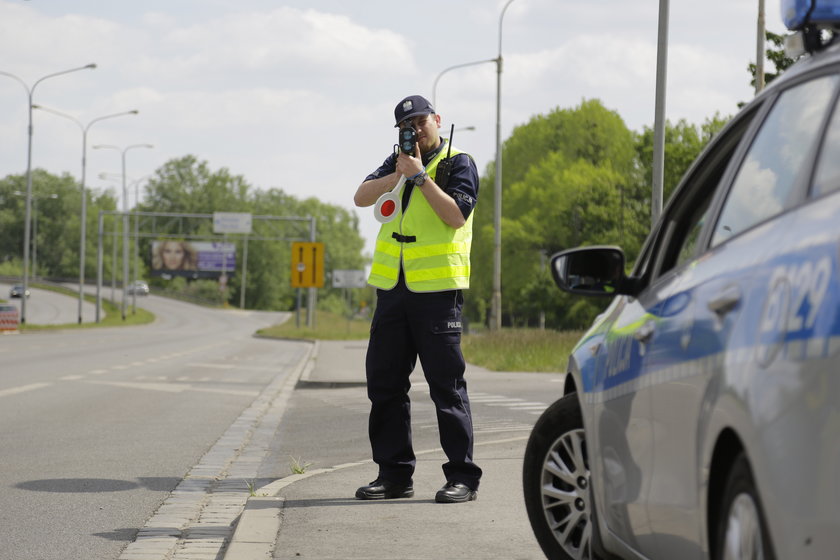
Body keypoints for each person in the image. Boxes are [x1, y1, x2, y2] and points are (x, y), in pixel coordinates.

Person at [353, 94, 482, 503]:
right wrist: (398, 174)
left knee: (447, 387)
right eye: (407, 127)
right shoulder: (397, 162)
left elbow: (455, 216)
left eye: (421, 122)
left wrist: (422, 177)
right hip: (393, 290)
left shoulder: (457, 163)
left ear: (437, 120)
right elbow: (360, 196)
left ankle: (462, 477)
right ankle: (394, 476)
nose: (416, 130)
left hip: (437, 293)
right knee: (385, 384)